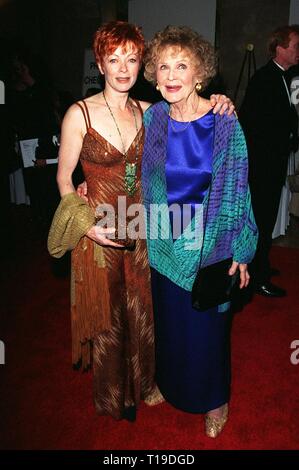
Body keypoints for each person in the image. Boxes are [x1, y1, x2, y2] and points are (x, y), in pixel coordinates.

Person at [48, 21, 235, 421]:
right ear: (99, 63)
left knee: (145, 311)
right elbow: (64, 178)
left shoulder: (151, 113)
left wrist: (222, 101)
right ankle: (114, 396)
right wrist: (85, 223)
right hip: (99, 228)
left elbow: (192, 120)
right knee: (109, 318)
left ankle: (150, 384)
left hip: (146, 226)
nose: (122, 68)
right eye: (113, 59)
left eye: (131, 59)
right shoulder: (78, 114)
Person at [142, 25, 257, 437]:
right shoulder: (153, 117)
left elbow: (240, 190)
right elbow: (134, 172)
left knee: (208, 334)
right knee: (169, 327)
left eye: (182, 65)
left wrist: (242, 249)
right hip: (163, 244)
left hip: (209, 247)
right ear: (154, 76)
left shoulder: (224, 122)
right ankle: (168, 383)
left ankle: (215, 399)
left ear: (200, 75)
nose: (171, 75)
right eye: (163, 66)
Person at [239, 25, 299, 297]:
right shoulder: (265, 79)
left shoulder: (284, 77)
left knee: (266, 218)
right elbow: (255, 126)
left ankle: (260, 264)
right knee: (261, 221)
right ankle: (257, 276)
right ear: (280, 48)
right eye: (295, 46)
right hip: (261, 166)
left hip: (271, 162)